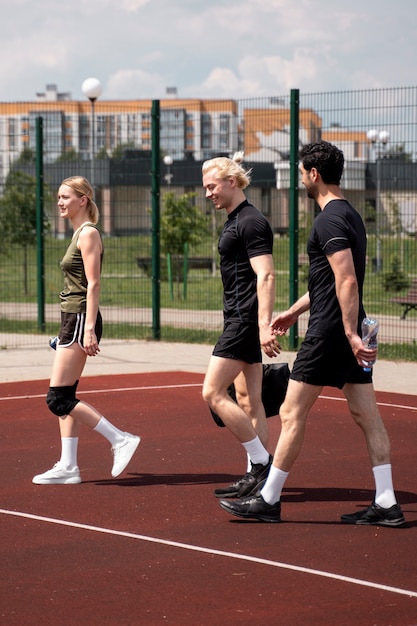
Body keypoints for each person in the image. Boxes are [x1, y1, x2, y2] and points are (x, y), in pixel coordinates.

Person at [219, 141, 405, 527]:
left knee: (290, 411)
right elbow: (330, 281)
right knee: (366, 415)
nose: (300, 177)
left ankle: (268, 499)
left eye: (301, 171)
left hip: (331, 332)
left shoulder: (328, 220)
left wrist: (351, 333)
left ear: (314, 174)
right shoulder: (350, 215)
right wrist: (291, 312)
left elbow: (347, 279)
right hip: (342, 327)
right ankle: (386, 502)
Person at [32, 176, 140, 485]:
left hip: (80, 319)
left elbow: (93, 284)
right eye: (58, 197)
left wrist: (88, 329)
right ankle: (68, 466)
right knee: (66, 395)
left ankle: (120, 439)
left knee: (57, 399)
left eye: (65, 197)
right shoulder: (78, 233)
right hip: (72, 319)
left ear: (83, 200)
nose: (60, 202)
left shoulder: (89, 233)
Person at [202, 152, 280, 499]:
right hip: (238, 317)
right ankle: (257, 475)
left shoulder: (251, 221)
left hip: (245, 320)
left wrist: (263, 325)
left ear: (231, 182)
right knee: (250, 399)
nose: (208, 194)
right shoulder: (235, 219)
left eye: (212, 186)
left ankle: (261, 462)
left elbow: (266, 275)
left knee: (213, 393)